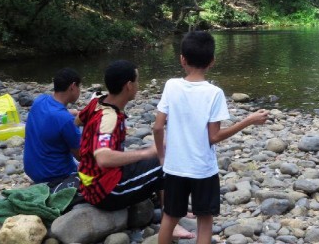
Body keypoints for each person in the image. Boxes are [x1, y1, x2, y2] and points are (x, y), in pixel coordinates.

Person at [153, 31, 269, 244]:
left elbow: (158, 127)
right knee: (205, 221)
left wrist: (162, 156)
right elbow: (214, 137)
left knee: (169, 218)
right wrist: (249, 120)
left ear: (182, 59)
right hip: (203, 170)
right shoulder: (214, 93)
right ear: (212, 62)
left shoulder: (171, 85)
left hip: (175, 167)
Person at [77, 60, 194, 239]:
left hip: (90, 183)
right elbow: (103, 158)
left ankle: (173, 209)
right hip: (107, 192)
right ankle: (170, 223)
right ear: (129, 86)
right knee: (166, 162)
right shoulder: (109, 118)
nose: (138, 86)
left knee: (158, 153)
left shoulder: (97, 101)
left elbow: (78, 120)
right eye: (137, 81)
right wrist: (146, 153)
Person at [23, 68, 82, 187]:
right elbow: (81, 155)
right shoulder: (65, 120)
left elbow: (56, 113)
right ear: (73, 86)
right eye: (79, 87)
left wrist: (76, 113)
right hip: (54, 175)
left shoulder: (40, 100)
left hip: (32, 170)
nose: (80, 91)